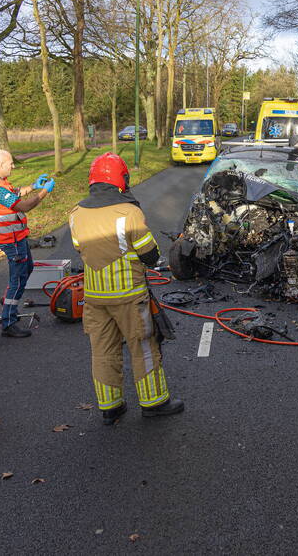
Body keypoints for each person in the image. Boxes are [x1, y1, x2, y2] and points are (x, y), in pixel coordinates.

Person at [69, 152, 184, 425]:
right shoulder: (129, 212)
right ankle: (154, 402)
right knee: (142, 346)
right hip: (129, 296)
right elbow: (149, 254)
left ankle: (110, 406)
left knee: (103, 350)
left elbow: (79, 249)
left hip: (95, 297)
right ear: (122, 180)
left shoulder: (75, 213)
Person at [0, 149, 55, 338]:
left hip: (18, 237)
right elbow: (23, 205)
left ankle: (9, 298)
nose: (13, 166)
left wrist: (33, 185)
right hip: (12, 241)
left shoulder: (1, 183)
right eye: (10, 164)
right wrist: (43, 193)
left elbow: (16, 194)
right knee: (18, 278)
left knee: (27, 269)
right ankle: (8, 321)